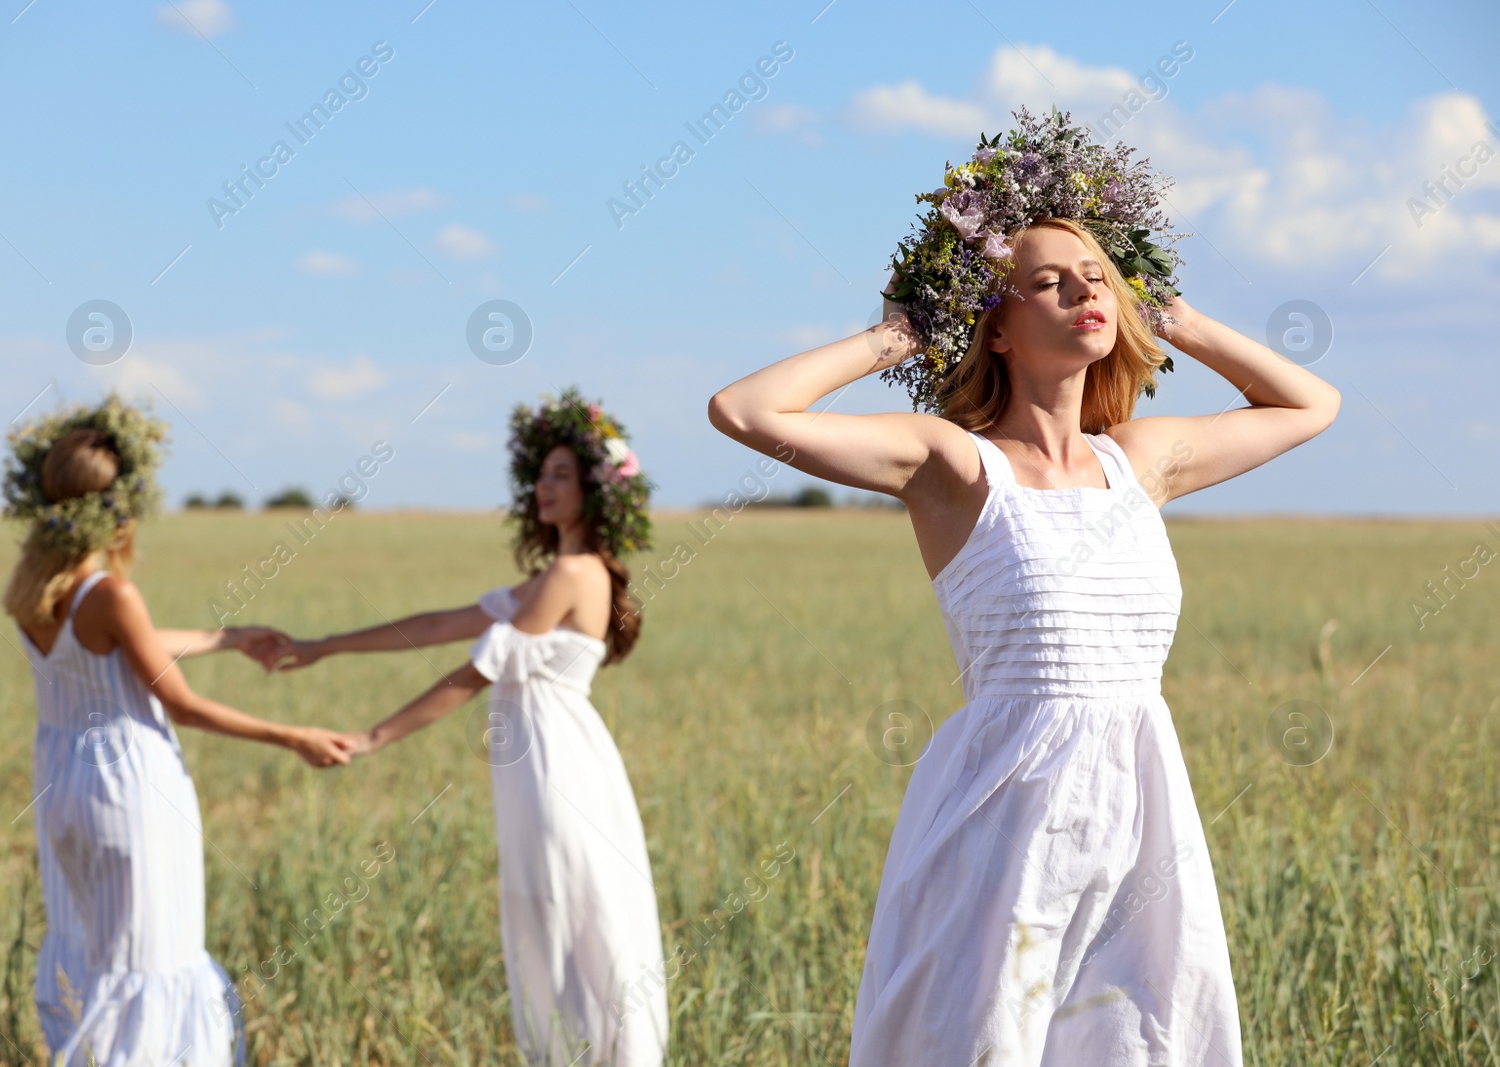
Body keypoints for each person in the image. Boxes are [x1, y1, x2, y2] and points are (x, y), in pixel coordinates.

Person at [709, 189, 1338, 1059]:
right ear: (996, 327)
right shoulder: (954, 465)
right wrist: (899, 335)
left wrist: (1177, 318)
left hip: (1142, 815)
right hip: (1005, 819)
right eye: (1050, 282)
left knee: (1135, 1038)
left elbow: (1311, 404)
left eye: (1097, 278)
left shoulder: (1140, 460)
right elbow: (744, 410)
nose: (1085, 293)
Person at [265, 387, 670, 1066]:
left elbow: (479, 669)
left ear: (597, 491)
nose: (545, 485)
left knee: (564, 907)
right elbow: (435, 625)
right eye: (541, 473)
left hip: (556, 765)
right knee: (557, 908)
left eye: (562, 474)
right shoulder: (554, 575)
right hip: (546, 755)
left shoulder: (573, 573)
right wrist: (325, 642)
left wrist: (373, 737)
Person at [2, 396, 353, 1065]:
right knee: (155, 957)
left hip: (63, 784)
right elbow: (183, 706)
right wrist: (295, 735)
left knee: (94, 953)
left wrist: (228, 636)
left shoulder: (35, 593)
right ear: (120, 505)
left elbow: (121, 646)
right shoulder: (110, 594)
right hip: (129, 785)